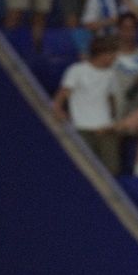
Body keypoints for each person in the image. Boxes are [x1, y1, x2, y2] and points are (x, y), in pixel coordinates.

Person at [53, 35, 121, 175]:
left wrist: (113, 120)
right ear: (103, 53)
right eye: (112, 54)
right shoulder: (77, 70)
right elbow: (62, 95)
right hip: (81, 127)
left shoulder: (111, 74)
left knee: (112, 169)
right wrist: (59, 112)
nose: (115, 58)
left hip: (105, 127)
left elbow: (111, 99)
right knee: (84, 169)